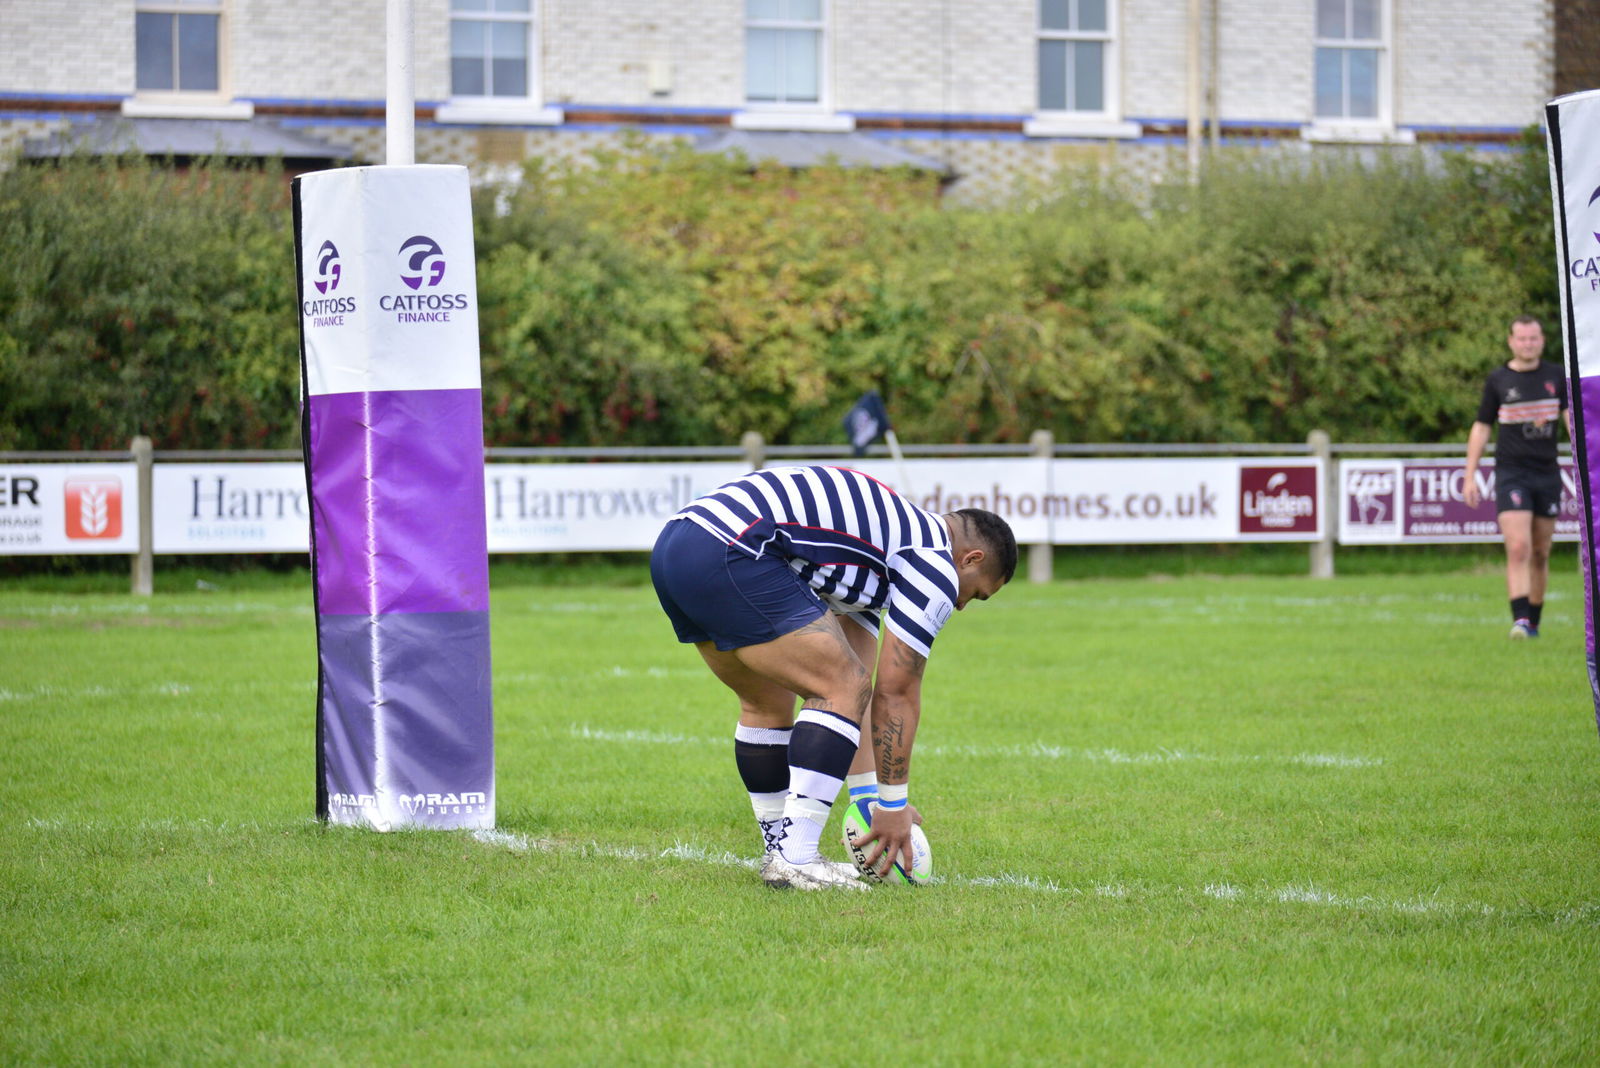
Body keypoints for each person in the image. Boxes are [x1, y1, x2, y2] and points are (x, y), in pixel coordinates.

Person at [650, 464, 1017, 890]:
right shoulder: (933, 561)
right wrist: (893, 806)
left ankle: (779, 854)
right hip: (735, 547)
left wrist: (866, 799)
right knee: (840, 687)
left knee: (767, 704)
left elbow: (859, 675)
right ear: (971, 559)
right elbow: (894, 692)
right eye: (975, 592)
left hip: (680, 542)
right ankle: (796, 858)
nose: (961, 606)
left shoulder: (879, 553)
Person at [1464, 316, 1571, 639]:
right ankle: (1520, 620)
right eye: (1522, 338)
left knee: (1540, 551)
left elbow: (1572, 421)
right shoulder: (1498, 380)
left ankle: (1534, 622)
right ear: (1511, 341)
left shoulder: (1556, 376)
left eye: (1534, 338)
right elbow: (1482, 426)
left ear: (1542, 340)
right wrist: (1470, 474)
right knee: (1519, 546)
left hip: (1547, 473)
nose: (1528, 344)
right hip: (1512, 473)